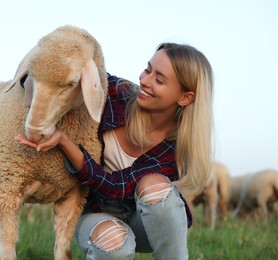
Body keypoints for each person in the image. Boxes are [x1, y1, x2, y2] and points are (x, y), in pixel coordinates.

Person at [17, 42, 214, 259]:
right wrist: (35, 78)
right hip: (96, 212)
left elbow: (113, 186)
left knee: (154, 186)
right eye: (148, 69)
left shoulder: (175, 152)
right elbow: (71, 75)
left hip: (144, 222)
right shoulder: (117, 93)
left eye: (158, 79)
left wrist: (65, 143)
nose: (144, 80)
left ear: (185, 97)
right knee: (114, 245)